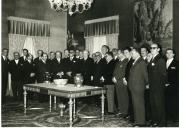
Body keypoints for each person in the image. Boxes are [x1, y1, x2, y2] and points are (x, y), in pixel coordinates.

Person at [128, 48, 148, 126]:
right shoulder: (135, 61)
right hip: (134, 87)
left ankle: (141, 122)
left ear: (137, 53)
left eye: (132, 53)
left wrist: (147, 84)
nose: (131, 55)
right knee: (136, 105)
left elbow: (145, 75)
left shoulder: (141, 62)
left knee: (139, 105)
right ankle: (137, 121)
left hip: (138, 87)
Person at [148, 43, 166, 126]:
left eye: (154, 48)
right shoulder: (152, 59)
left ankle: (162, 124)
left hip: (158, 87)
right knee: (153, 105)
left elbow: (163, 75)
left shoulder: (160, 59)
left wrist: (160, 87)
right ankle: (155, 121)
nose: (152, 49)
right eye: (151, 48)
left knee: (159, 106)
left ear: (158, 49)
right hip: (152, 86)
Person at [113, 49, 129, 117]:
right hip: (117, 82)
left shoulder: (126, 61)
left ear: (123, 54)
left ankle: (125, 111)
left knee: (124, 97)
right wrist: (113, 77)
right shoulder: (118, 62)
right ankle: (121, 110)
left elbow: (124, 72)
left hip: (122, 82)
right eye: (118, 53)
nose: (118, 55)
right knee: (119, 97)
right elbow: (115, 71)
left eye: (119, 53)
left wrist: (116, 78)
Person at [165, 48, 178, 122]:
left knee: (174, 102)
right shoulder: (164, 62)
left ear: (173, 54)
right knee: (167, 101)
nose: (168, 54)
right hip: (165, 86)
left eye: (170, 53)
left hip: (174, 87)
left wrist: (170, 83)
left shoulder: (176, 63)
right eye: (167, 53)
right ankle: (169, 116)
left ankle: (175, 117)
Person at [123, 46, 134, 121]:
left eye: (126, 52)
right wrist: (125, 78)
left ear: (130, 52)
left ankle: (133, 116)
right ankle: (130, 114)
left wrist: (127, 79)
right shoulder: (128, 60)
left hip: (132, 83)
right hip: (128, 83)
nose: (125, 54)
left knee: (132, 100)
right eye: (124, 53)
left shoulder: (133, 61)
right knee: (130, 99)